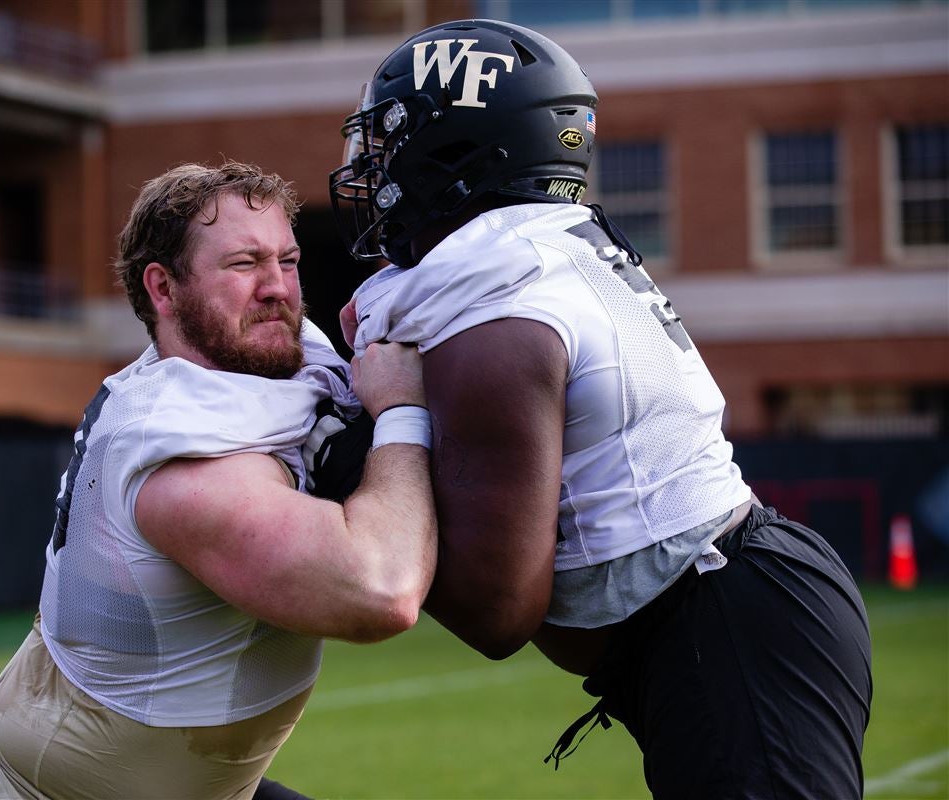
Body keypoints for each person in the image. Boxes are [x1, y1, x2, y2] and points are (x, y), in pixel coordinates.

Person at [327, 19, 873, 799]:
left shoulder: (505, 316)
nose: (373, 171)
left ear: (454, 153)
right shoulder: (529, 260)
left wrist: (361, 447)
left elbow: (497, 612)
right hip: (733, 606)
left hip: (728, 623)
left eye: (391, 143)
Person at [0, 161, 437, 799]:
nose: (278, 288)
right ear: (163, 290)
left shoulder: (255, 355)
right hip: (26, 790)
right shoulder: (177, 455)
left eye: (289, 260)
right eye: (245, 264)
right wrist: (402, 413)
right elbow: (381, 590)